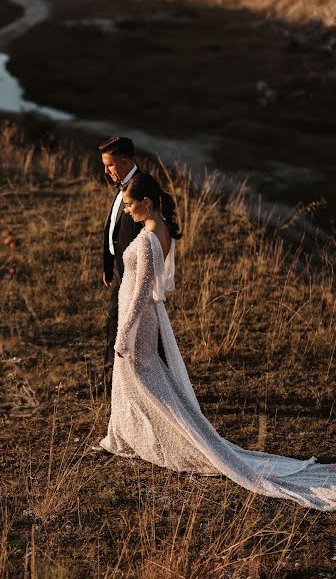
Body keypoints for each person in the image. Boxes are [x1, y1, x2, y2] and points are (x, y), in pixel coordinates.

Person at [93, 171, 336, 511]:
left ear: (146, 203)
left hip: (139, 320)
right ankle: (124, 434)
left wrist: (123, 332)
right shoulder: (159, 229)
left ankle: (164, 439)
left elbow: (139, 293)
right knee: (138, 380)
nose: (128, 210)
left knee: (144, 380)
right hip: (144, 318)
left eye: (132, 205)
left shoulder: (148, 239)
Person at [77, 136, 166, 398]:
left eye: (110, 164)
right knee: (113, 322)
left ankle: (139, 381)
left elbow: (155, 231)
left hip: (135, 273)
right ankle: (115, 380)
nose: (105, 171)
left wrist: (142, 274)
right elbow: (113, 230)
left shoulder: (142, 189)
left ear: (125, 161)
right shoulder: (120, 186)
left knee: (137, 326)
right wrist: (108, 263)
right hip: (119, 271)